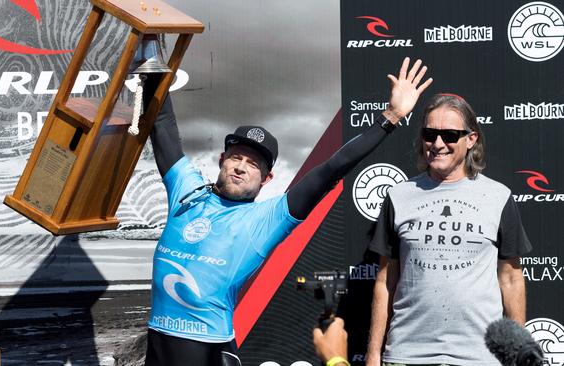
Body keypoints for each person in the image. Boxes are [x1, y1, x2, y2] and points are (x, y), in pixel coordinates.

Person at [144, 57, 432, 366]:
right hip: (157, 342)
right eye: (236, 157)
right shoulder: (186, 189)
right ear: (221, 159)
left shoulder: (268, 219)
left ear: (267, 178)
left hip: (208, 349)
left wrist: (391, 116)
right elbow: (161, 124)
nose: (241, 167)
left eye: (254, 164)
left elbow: (330, 170)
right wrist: (150, 50)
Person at [365, 93, 532, 365]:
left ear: (471, 139)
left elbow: (511, 280)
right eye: (430, 134)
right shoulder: (398, 196)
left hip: (480, 358)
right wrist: (373, 354)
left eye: (450, 135)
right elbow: (385, 281)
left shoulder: (499, 197)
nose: (438, 144)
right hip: (408, 355)